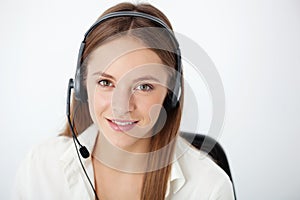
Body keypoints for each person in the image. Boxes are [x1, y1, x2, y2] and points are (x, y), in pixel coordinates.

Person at [13, 2, 235, 200]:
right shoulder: (40, 169)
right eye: (105, 83)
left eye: (143, 86)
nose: (121, 106)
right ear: (82, 87)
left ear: (171, 92)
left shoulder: (208, 189)